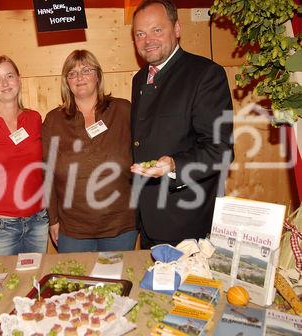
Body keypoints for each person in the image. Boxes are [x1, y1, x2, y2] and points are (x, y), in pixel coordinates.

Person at [129, 0, 234, 249]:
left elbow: (221, 150)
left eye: (157, 30)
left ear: (177, 29)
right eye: (140, 34)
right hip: (149, 219)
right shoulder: (139, 79)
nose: (148, 40)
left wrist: (174, 164)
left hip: (187, 222)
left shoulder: (205, 74)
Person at [42, 49, 136, 253]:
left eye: (86, 70)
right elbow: (47, 173)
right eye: (72, 73)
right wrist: (53, 220)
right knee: (77, 284)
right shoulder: (54, 120)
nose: (80, 77)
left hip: (120, 225)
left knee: (117, 283)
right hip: (73, 229)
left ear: (98, 75)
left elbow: (142, 156)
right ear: (66, 81)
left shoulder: (123, 111)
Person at [0, 55, 49, 256]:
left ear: (19, 79)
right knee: (3, 283)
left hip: (37, 221)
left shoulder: (34, 118)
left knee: (34, 280)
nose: (5, 83)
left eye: (10, 76)